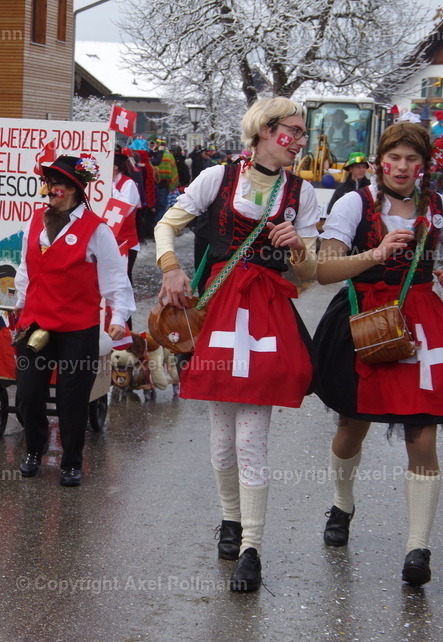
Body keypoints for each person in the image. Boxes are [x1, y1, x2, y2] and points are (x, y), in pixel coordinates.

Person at [155, 97, 320, 592]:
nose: (301, 140)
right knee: (222, 434)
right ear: (266, 130)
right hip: (220, 310)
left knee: (250, 438)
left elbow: (310, 275)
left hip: (267, 315)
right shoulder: (218, 178)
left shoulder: (302, 193)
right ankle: (230, 519)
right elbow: (166, 225)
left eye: (303, 132)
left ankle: (251, 546)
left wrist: (298, 248)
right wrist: (170, 267)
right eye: (294, 130)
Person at [312, 122, 443, 587]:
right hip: (364, 318)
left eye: (411, 159)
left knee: (422, 431)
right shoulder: (354, 203)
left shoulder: (438, 206)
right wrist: (376, 253)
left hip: (420, 321)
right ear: (380, 160)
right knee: (352, 427)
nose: (402, 167)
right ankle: (342, 504)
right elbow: (324, 269)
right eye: (394, 158)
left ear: (423, 164)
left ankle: (417, 548)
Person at [14, 155, 135, 488]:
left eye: (56, 184)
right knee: (28, 393)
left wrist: (118, 315)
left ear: (72, 190)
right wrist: (19, 307)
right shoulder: (34, 221)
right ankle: (34, 449)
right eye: (48, 183)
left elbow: (115, 278)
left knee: (72, 396)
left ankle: (71, 461)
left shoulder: (97, 230)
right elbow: (25, 268)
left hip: (77, 327)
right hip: (35, 322)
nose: (49, 190)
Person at [112, 150, 141, 280]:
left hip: (125, 240)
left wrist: (111, 187)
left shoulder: (128, 183)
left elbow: (125, 209)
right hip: (109, 239)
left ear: (115, 167)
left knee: (123, 278)